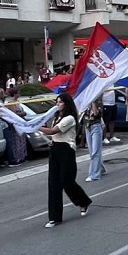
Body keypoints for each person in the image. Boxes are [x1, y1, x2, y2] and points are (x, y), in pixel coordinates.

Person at [39, 92, 92, 227]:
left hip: (66, 151)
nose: (58, 105)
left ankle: (83, 201)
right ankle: (54, 218)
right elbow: (53, 136)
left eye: (60, 102)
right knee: (53, 183)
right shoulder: (57, 117)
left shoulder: (69, 118)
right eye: (57, 102)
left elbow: (52, 131)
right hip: (55, 150)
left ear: (66, 103)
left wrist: (35, 126)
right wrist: (51, 142)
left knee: (66, 181)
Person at [84, 97, 105, 182]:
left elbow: (96, 113)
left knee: (95, 151)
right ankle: (100, 168)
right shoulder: (85, 102)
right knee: (91, 151)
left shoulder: (98, 102)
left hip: (96, 126)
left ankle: (94, 175)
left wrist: (93, 102)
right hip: (87, 127)